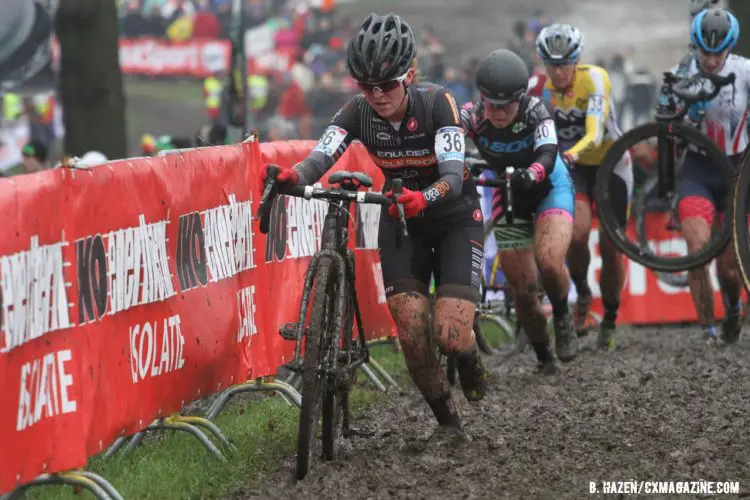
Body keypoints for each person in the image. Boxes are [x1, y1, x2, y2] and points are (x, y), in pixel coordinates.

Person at [259, 13, 487, 440]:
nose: (378, 95)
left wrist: (427, 196)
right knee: (411, 331)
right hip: (401, 218)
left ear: (410, 76)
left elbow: (454, 177)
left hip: (454, 217)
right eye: (367, 86)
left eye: (387, 85)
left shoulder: (438, 103)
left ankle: (469, 356)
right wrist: (296, 175)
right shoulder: (356, 113)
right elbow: (321, 156)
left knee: (451, 334)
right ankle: (448, 424)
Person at [460, 49, 577, 374]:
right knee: (523, 291)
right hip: (509, 192)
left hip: (548, 187)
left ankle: (564, 316)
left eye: (507, 105)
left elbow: (549, 154)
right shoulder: (473, 114)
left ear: (520, 98)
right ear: (482, 98)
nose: (498, 113)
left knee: (550, 263)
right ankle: (543, 355)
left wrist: (532, 173)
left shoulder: (536, 111)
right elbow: (450, 135)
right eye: (492, 105)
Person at [536, 24, 634, 351]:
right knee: (576, 234)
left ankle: (611, 315)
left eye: (564, 63)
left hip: (610, 162)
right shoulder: (540, 86)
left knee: (611, 247)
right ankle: (582, 293)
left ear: (576, 60)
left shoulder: (595, 78)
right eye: (551, 64)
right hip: (573, 168)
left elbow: (594, 132)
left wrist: (569, 154)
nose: (558, 71)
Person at [662, 8, 749, 343]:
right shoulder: (677, 73)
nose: (711, 60)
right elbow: (663, 130)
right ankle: (707, 332)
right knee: (697, 251)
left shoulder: (744, 71)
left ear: (729, 48)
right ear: (694, 45)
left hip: (739, 170)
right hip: (698, 169)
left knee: (729, 266)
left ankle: (731, 308)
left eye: (718, 53)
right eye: (704, 52)